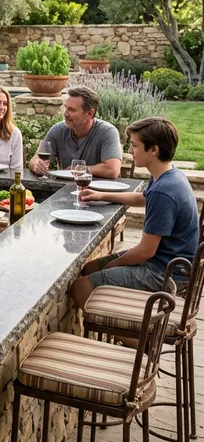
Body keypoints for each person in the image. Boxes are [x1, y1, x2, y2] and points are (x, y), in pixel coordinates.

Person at [70, 117, 198, 310]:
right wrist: (100, 195)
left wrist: (111, 268)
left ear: (154, 150)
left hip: (166, 274)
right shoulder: (169, 175)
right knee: (89, 269)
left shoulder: (164, 191)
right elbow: (141, 198)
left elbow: (146, 251)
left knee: (80, 288)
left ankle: (140, 341)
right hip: (168, 264)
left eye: (134, 145)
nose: (129, 151)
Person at [28, 87, 122, 178]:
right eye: (66, 108)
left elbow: (112, 170)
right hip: (64, 189)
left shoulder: (107, 132)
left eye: (72, 110)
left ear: (90, 113)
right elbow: (35, 159)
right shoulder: (58, 130)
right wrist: (36, 165)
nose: (65, 114)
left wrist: (76, 169)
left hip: (98, 191)